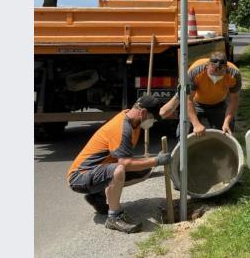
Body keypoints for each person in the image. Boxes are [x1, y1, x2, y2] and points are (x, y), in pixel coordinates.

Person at [67, 94, 177, 233]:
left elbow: (162, 113)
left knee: (144, 170)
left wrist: (178, 97)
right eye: (151, 118)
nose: (153, 122)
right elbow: (125, 163)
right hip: (79, 177)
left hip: (97, 170)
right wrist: (157, 161)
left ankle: (96, 196)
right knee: (119, 170)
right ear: (143, 112)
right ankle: (114, 217)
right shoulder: (123, 128)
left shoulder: (133, 117)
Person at [162, 51, 242, 137]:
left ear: (226, 68)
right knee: (184, 133)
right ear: (207, 65)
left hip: (219, 104)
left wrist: (226, 122)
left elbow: (234, 100)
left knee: (226, 133)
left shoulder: (234, 74)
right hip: (195, 103)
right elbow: (187, 99)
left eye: (219, 75)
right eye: (212, 74)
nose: (215, 78)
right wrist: (196, 124)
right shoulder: (195, 71)